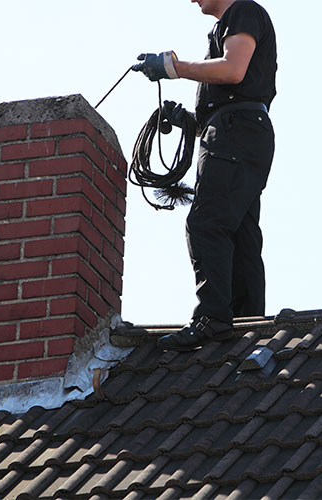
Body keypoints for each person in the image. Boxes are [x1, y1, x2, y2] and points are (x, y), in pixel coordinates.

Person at [132, 0, 277, 351]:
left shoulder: (242, 10)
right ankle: (245, 323)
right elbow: (234, 87)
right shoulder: (230, 23)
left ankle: (213, 317)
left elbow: (233, 70)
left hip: (235, 131)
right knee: (239, 231)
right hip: (240, 130)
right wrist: (191, 122)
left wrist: (173, 68)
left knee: (206, 222)